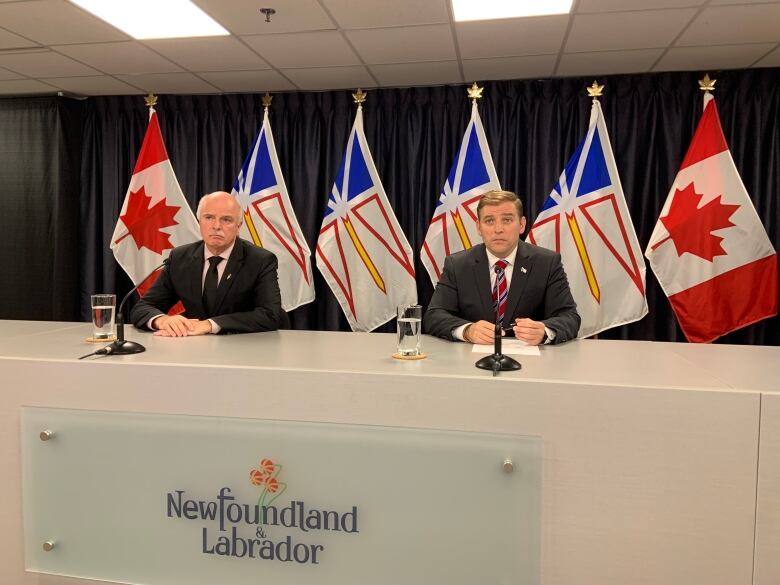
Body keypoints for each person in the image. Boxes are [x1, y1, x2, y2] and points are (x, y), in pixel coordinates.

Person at [424, 190, 580, 346]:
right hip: (470, 361)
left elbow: (569, 316)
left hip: (531, 363)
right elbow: (434, 316)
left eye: (507, 220)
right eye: (489, 221)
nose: (498, 229)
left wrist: (544, 332)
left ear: (522, 224)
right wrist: (467, 331)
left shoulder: (547, 263)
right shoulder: (457, 264)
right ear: (478, 227)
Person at [130, 191, 283, 336]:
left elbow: (270, 315)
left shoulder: (260, 260)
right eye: (209, 217)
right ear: (199, 222)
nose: (216, 226)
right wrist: (163, 320)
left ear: (239, 226)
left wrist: (210, 325)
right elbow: (142, 308)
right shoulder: (179, 257)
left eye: (226, 219)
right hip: (193, 349)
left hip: (243, 348)